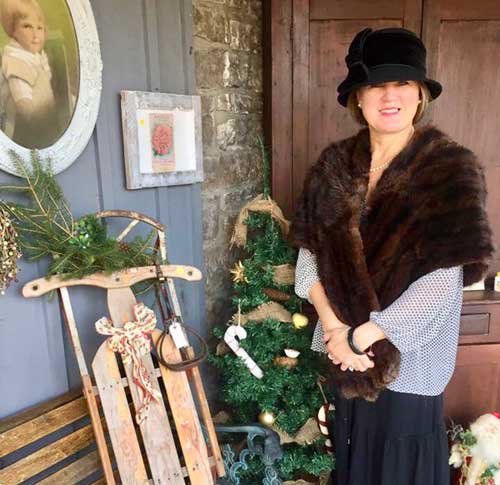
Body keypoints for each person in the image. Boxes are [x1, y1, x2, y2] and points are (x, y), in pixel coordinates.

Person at [291, 27, 494, 484]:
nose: (390, 95)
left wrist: (368, 336)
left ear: (420, 95)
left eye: (402, 83)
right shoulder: (334, 166)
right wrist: (333, 329)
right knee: (353, 463)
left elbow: (444, 278)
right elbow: (309, 255)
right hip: (343, 354)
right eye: (376, 84)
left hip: (409, 360)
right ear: (357, 98)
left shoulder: (448, 168)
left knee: (402, 469)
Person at [0, 0, 58, 148]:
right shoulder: (15, 61)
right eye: (27, 26)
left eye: (40, 28)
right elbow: (26, 111)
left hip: (40, 126)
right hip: (20, 133)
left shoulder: (36, 58)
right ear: (13, 31)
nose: (35, 34)